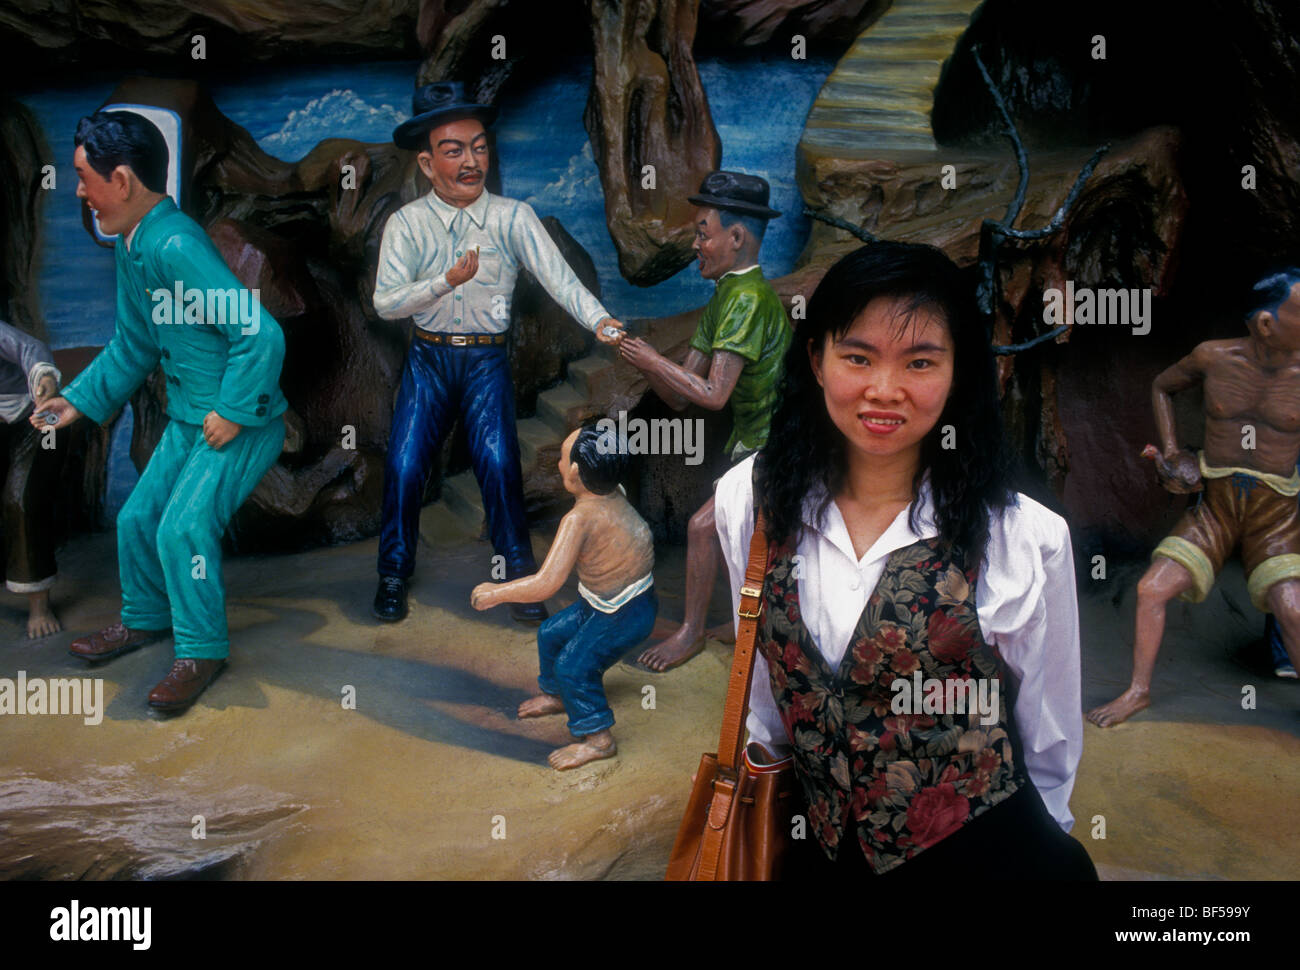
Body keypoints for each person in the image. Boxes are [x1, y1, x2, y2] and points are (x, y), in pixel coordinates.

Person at [715, 241, 1096, 879]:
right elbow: (762, 680)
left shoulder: (1022, 536)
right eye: (856, 357)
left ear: (959, 373)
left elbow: (1048, 729)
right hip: (820, 848)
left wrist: (1050, 833)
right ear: (816, 358)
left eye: (920, 361)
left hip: (984, 853)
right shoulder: (750, 501)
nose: (883, 391)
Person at [36, 110, 287, 713]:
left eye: (83, 177)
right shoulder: (133, 242)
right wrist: (75, 400)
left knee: (183, 528)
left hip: (237, 424)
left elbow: (262, 334)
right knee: (137, 519)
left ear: (120, 180)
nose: (78, 191)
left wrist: (233, 410)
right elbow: (136, 344)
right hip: (188, 417)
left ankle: (202, 649)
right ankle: (146, 619)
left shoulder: (175, 244)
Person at [372, 81, 625, 625]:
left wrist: (599, 319)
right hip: (430, 359)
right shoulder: (407, 224)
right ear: (426, 162)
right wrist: (442, 282)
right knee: (404, 462)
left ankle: (520, 577)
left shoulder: (513, 217)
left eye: (480, 146)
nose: (471, 161)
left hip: (486, 360)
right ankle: (393, 574)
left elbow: (560, 279)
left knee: (499, 462)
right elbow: (387, 304)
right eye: (454, 150)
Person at [1088, 269, 1300, 727]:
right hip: (1217, 507)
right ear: (1266, 323)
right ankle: (1139, 692)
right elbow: (1163, 386)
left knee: (1293, 607)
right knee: (1151, 589)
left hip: (1275, 513)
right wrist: (1171, 452)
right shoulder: (1213, 357)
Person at [618, 170, 790, 671]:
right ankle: (739, 622)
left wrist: (653, 361)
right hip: (751, 442)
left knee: (701, 527)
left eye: (702, 231)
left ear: (736, 238)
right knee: (729, 529)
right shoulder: (725, 297)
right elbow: (680, 397)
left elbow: (713, 395)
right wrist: (637, 358)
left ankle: (692, 632)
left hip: (780, 445)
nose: (696, 244)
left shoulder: (749, 300)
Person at [470, 423, 656, 769]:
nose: (558, 463)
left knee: (574, 665)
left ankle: (598, 740)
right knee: (551, 633)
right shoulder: (615, 489)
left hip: (624, 611)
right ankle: (557, 695)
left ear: (574, 473)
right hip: (608, 601)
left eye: (561, 457)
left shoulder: (579, 520)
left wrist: (498, 593)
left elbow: (546, 585)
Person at [0, 319, 62, 637]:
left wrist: (45, 381)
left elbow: (31, 349)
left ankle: (39, 605)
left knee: (22, 499)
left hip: (35, 413)